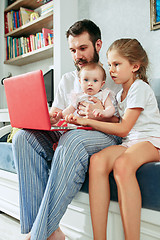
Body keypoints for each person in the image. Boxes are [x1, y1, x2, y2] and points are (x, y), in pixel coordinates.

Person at [12, 19, 121, 240]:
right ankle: (49, 232)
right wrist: (51, 119)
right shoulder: (66, 80)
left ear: (97, 45)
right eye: (72, 50)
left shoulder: (115, 77)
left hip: (104, 135)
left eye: (83, 48)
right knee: (23, 137)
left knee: (71, 141)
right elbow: (59, 117)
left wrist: (97, 115)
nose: (77, 56)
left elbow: (124, 125)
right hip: (68, 134)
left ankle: (37, 236)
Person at [65, 38, 160, 240]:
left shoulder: (139, 87)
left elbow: (123, 128)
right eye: (109, 65)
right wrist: (97, 114)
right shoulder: (118, 95)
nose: (111, 70)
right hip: (131, 142)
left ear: (135, 66)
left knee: (123, 165)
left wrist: (88, 121)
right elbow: (120, 119)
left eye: (117, 64)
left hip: (152, 141)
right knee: (97, 161)